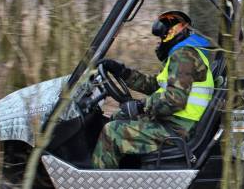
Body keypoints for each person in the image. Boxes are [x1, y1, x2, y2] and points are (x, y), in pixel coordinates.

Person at [91, 11, 214, 169]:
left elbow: (173, 100)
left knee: (112, 132)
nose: (159, 43)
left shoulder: (184, 56)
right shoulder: (183, 55)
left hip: (178, 129)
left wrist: (141, 106)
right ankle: (125, 175)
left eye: (161, 38)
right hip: (174, 122)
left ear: (172, 33)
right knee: (118, 115)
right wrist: (122, 72)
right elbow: (153, 85)